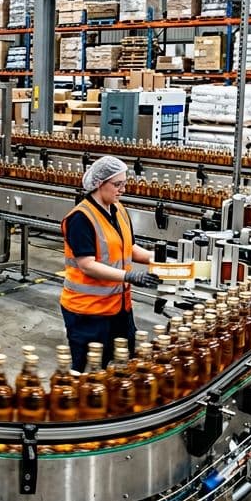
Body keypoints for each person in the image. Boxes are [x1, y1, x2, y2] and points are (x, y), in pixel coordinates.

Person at [60, 155, 158, 372]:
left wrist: (157, 259)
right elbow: (87, 264)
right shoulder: (80, 218)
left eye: (124, 183)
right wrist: (129, 276)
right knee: (90, 372)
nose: (122, 189)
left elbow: (128, 248)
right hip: (88, 312)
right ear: (98, 184)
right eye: (117, 184)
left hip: (120, 308)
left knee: (127, 365)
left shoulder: (118, 209)